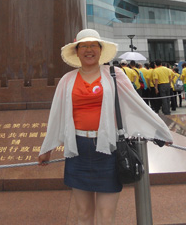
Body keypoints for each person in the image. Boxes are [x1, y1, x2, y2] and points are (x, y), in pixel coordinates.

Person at [38, 29, 172, 225]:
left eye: (94, 45)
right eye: (84, 46)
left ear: (101, 50)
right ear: (77, 51)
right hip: (78, 150)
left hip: (109, 149)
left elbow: (137, 104)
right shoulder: (67, 80)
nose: (89, 50)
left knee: (106, 216)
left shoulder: (115, 74)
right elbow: (56, 115)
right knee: (83, 214)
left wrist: (161, 131)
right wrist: (47, 148)